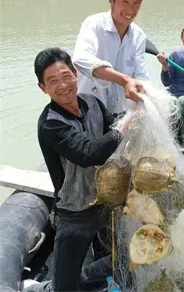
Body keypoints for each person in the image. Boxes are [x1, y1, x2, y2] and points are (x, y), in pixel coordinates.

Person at [21, 47, 126, 292]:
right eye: (53, 81)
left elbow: (112, 122)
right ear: (43, 88)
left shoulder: (92, 103)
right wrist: (124, 129)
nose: (63, 85)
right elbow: (88, 153)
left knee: (121, 259)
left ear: (76, 74)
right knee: (64, 287)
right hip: (74, 213)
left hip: (105, 202)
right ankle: (36, 288)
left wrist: (134, 115)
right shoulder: (50, 124)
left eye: (66, 76)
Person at [73, 0, 149, 116]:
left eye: (136, 3)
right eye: (125, 1)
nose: (130, 9)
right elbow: (80, 58)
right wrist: (125, 80)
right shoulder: (94, 24)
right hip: (88, 113)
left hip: (120, 117)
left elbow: (141, 75)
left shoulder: (139, 36)